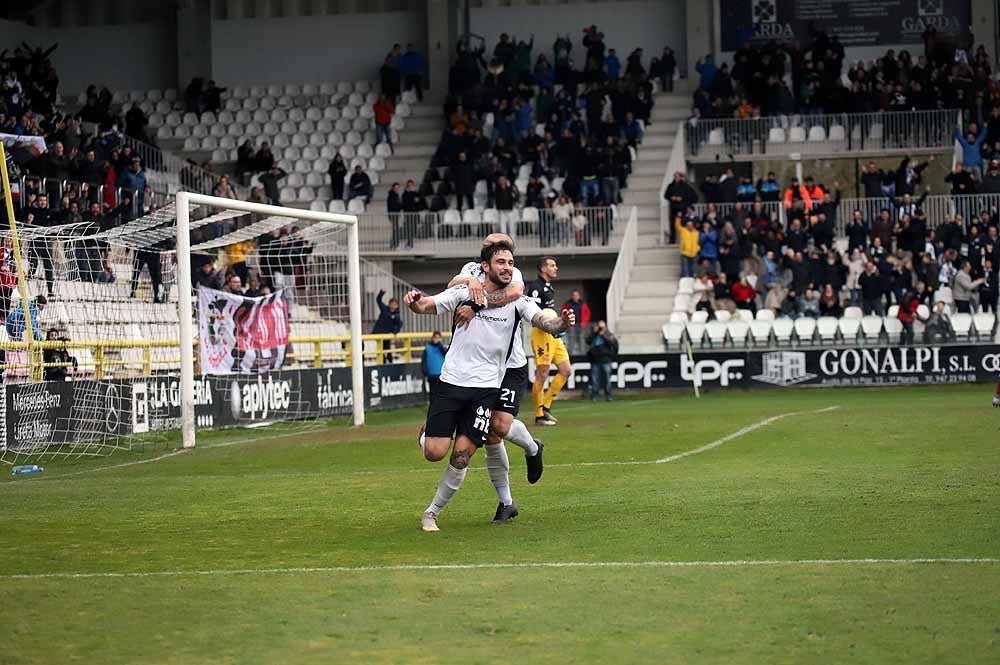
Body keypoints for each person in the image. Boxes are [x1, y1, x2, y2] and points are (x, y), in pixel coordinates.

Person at [404, 241, 572, 532]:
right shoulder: (464, 290)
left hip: (486, 389)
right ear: (485, 266)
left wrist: (561, 324)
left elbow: (544, 322)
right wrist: (415, 301)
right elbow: (429, 304)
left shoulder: (517, 297)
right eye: (501, 262)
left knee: (467, 451)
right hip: (452, 382)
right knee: (433, 452)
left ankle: (431, 513)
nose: (507, 267)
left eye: (510, 262)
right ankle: (430, 432)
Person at [526, 257, 570, 426]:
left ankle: (546, 407)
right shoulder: (536, 288)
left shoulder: (548, 286)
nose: (556, 268)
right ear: (543, 269)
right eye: (552, 265)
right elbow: (534, 313)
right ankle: (539, 415)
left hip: (553, 333)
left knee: (566, 370)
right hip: (541, 333)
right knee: (542, 373)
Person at [586, 320, 618, 401]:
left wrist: (603, 335)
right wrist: (595, 333)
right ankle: (594, 396)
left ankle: (608, 396)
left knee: (607, 380)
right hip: (595, 360)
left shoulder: (608, 334)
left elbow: (612, 343)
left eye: (602, 327)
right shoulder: (594, 335)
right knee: (595, 380)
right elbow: (588, 341)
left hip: (606, 360)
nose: (600, 329)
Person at [373, 289, 402, 363]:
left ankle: (390, 362)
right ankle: (381, 362)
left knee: (388, 349)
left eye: (395, 304)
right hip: (379, 332)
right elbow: (378, 300)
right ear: (389, 304)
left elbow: (399, 324)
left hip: (387, 334)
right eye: (391, 304)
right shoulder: (384, 309)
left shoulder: (397, 315)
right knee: (380, 350)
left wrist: (395, 332)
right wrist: (381, 293)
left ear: (397, 306)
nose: (393, 306)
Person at [561, 290, 591, 355]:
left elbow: (587, 314)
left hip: (581, 325)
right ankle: (571, 355)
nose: (575, 297)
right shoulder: (568, 304)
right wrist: (567, 324)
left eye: (576, 295)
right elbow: (563, 313)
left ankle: (583, 355)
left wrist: (584, 323)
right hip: (572, 325)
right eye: (574, 295)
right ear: (572, 296)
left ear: (579, 296)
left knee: (581, 340)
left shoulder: (583, 304)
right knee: (571, 340)